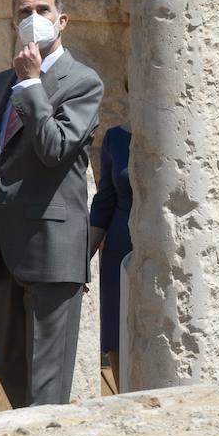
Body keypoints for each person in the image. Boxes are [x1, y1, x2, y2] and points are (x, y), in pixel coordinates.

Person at [0, 0, 103, 407]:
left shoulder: (82, 81)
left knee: (46, 381)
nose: (33, 19)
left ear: (61, 20)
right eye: (23, 12)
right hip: (3, 253)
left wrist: (30, 85)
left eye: (42, 10)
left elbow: (54, 148)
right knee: (7, 365)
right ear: (12, 23)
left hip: (52, 250)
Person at [88, 121, 131, 386]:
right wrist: (82, 260)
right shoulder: (115, 137)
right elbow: (104, 201)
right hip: (119, 249)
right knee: (116, 334)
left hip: (163, 249)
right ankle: (124, 396)